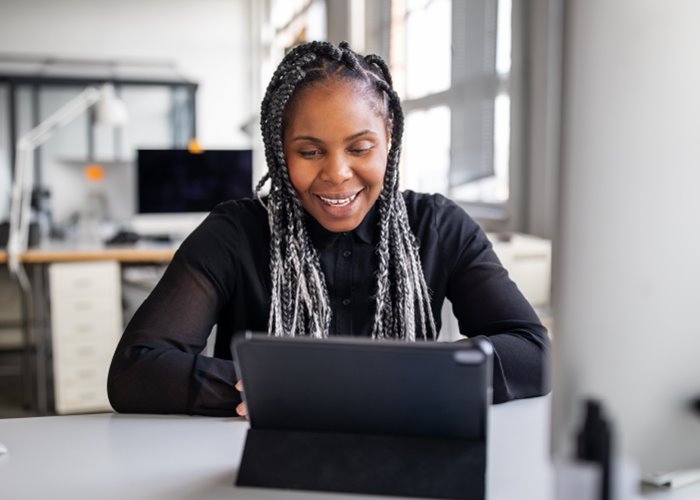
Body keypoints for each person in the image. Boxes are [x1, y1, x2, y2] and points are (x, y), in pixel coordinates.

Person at [107, 41, 550, 417]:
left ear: (389, 138)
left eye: (360, 147)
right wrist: (269, 384)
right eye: (310, 151)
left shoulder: (438, 226)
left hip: (404, 455)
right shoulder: (233, 234)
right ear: (280, 151)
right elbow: (135, 371)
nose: (338, 173)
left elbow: (533, 352)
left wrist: (409, 378)